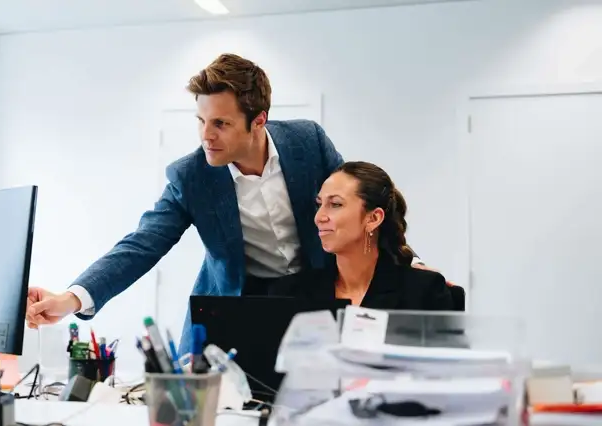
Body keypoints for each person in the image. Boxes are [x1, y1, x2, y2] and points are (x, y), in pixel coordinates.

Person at [25, 53, 443, 353]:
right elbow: (141, 245)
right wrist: (71, 298)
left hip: (313, 292)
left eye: (221, 124)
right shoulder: (191, 175)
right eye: (202, 121)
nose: (207, 136)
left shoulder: (307, 142)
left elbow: (359, 206)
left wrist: (408, 262)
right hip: (236, 303)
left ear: (258, 120)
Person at [268, 161, 453, 311]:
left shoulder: (424, 292)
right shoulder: (288, 292)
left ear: (373, 218)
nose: (319, 217)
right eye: (319, 204)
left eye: (335, 204)